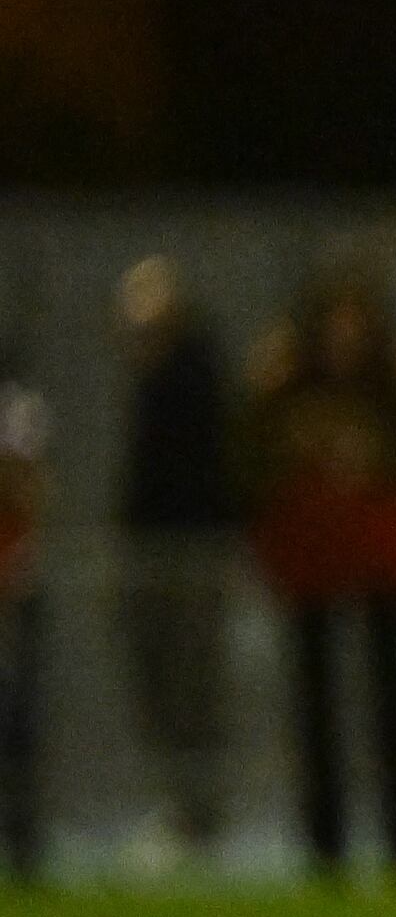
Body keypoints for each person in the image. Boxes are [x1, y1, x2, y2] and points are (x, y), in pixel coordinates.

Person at [243, 261, 396, 882]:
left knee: (395, 705)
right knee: (317, 709)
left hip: (380, 557)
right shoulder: (285, 389)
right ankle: (325, 848)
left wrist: (374, 463)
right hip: (313, 557)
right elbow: (250, 465)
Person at [112, 257, 240, 861]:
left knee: (191, 689)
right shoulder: (155, 377)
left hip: (187, 557)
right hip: (157, 555)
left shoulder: (192, 375)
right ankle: (186, 810)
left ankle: (200, 816)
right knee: (163, 690)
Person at [0, 370, 43, 880]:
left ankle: (23, 841)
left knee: (19, 723)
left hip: (18, 590)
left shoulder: (19, 404)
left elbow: (30, 486)